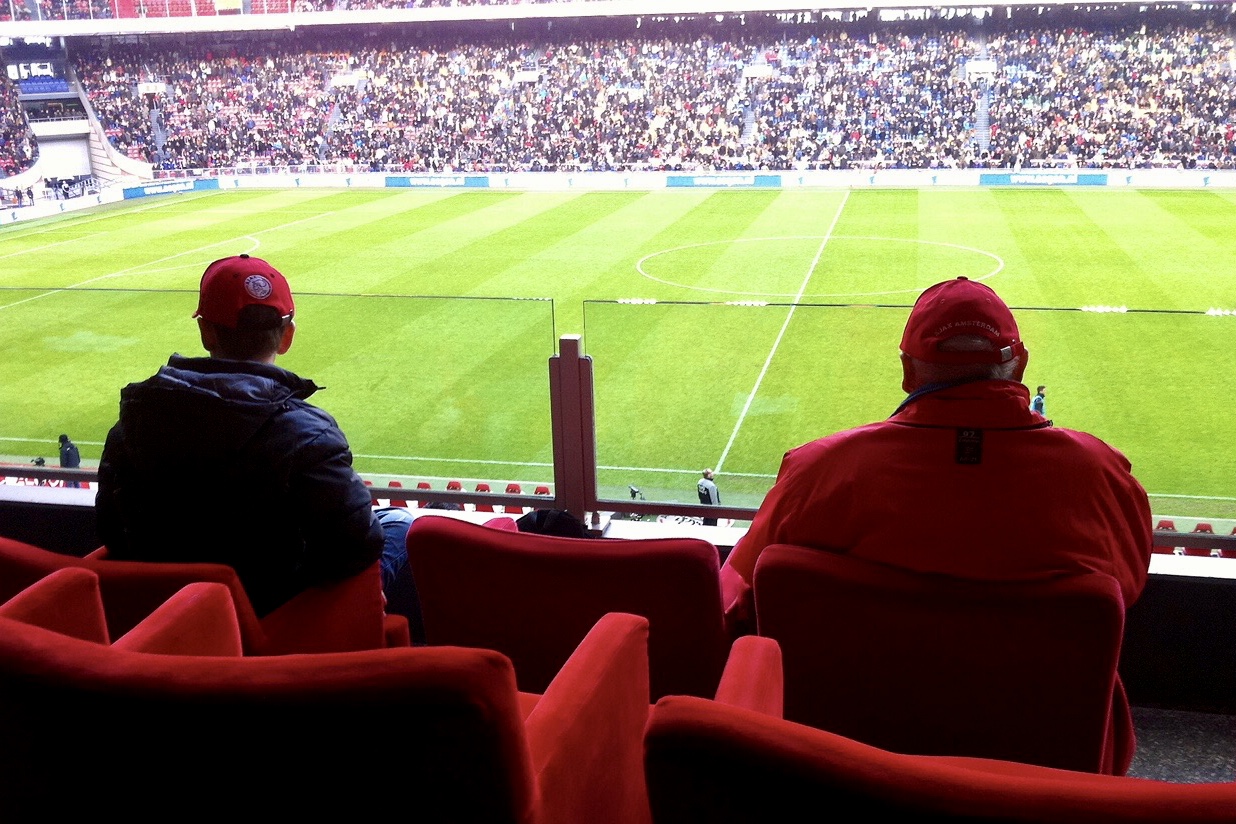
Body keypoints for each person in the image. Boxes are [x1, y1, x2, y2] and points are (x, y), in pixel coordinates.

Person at [721, 277, 1152, 637]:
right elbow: (1127, 589)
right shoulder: (1103, 475)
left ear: (908, 371)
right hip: (1041, 715)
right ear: (1019, 365)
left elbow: (740, 593)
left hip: (851, 712)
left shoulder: (817, 472)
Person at [96, 254, 414, 620]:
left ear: (205, 332)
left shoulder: (134, 421)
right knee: (398, 522)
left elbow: (111, 532)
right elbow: (355, 547)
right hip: (271, 618)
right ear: (287, 337)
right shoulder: (309, 433)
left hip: (164, 619)